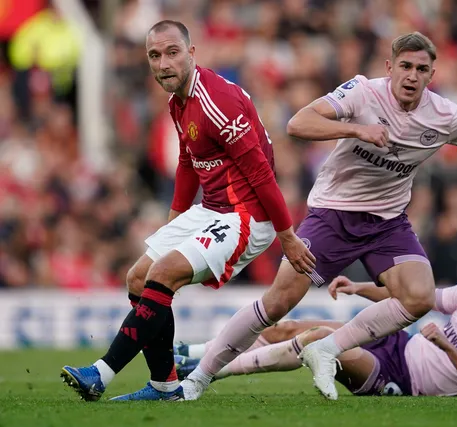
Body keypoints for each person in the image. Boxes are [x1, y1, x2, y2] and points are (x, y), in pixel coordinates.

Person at [181, 31, 457, 402]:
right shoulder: (362, 92)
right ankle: (199, 375)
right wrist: (356, 129)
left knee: (418, 296)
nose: (412, 76)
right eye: (405, 66)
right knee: (278, 304)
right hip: (333, 214)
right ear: (390, 67)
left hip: (387, 223)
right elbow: (298, 123)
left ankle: (327, 349)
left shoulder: (445, 116)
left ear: (431, 74)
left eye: (421, 69)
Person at [60, 20, 314, 402]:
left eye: (172, 53)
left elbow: (262, 173)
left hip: (245, 216)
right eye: (154, 56)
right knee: (137, 278)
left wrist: (287, 236)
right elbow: (187, 160)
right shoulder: (178, 101)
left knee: (162, 274)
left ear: (192, 54)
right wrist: (176, 216)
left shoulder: (217, 101)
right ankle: (165, 385)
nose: (163, 63)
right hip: (211, 209)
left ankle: (101, 372)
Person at [175, 248, 457, 398]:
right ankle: (192, 356)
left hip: (403, 380)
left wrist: (448, 347)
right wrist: (361, 288)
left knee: (316, 339)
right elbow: (414, 299)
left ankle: (206, 374)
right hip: (399, 344)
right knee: (286, 327)